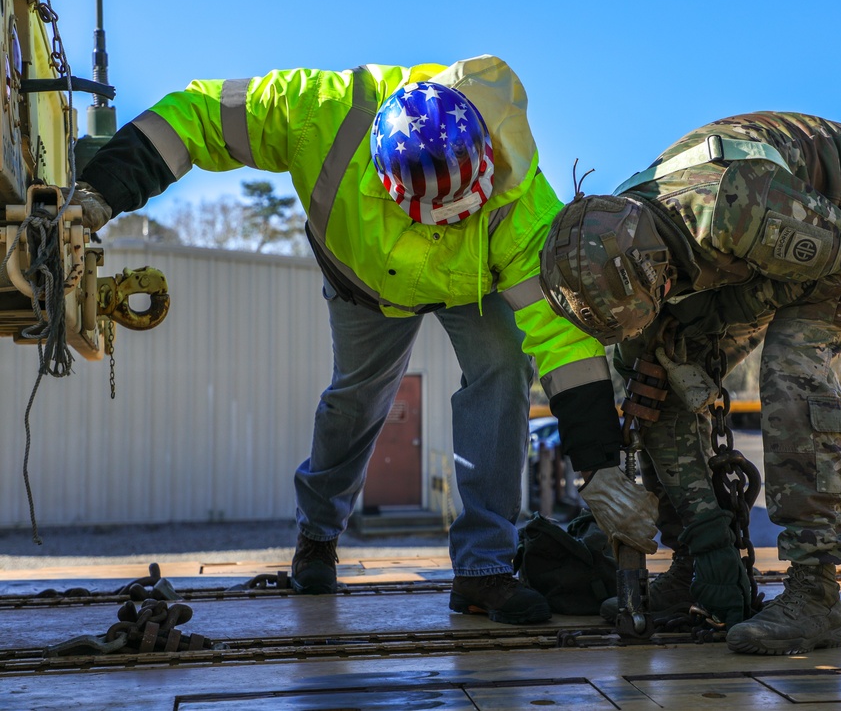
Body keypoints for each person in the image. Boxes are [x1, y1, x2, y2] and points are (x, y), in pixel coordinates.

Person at [67, 55, 657, 625]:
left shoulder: (523, 205)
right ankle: (317, 537)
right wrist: (102, 189)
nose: (445, 223)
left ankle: (484, 568)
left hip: (471, 287)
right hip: (361, 286)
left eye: (458, 209)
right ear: (383, 176)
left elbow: (561, 336)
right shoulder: (322, 115)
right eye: (431, 213)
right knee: (357, 398)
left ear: (484, 164)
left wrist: (598, 466)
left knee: (503, 372)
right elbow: (196, 115)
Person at [538, 112, 841, 653]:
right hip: (767, 235)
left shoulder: (732, 209)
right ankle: (693, 564)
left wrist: (720, 316)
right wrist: (706, 533)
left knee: (792, 362)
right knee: (653, 371)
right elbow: (655, 360)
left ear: (661, 274)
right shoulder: (616, 240)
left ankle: (815, 593)